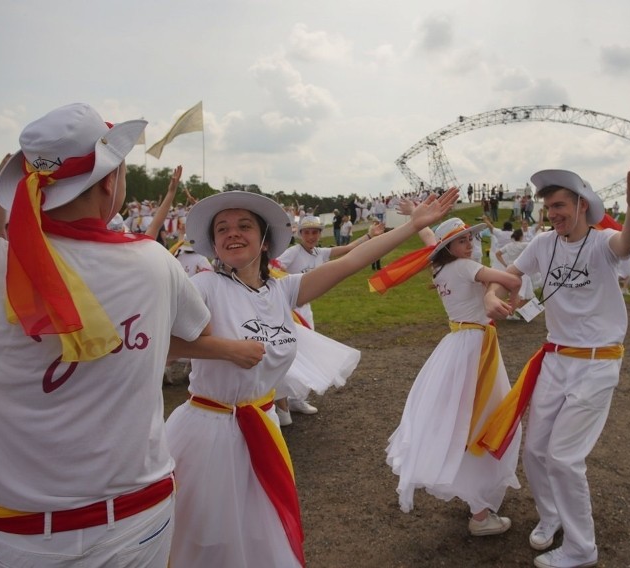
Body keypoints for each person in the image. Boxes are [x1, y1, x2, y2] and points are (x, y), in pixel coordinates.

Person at [0, 103, 212, 567]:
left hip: (23, 536)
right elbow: (201, 329)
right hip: (136, 519)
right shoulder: (156, 264)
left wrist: (6, 195)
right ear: (108, 183)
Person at [164, 187, 459, 567]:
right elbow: (163, 343)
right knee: (207, 534)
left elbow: (351, 262)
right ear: (214, 243)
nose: (232, 233)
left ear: (265, 238)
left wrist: (412, 226)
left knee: (259, 526)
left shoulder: (283, 290)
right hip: (210, 429)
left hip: (263, 425)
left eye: (243, 226)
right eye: (222, 229)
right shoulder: (204, 286)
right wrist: (226, 349)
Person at [480, 152, 630, 568]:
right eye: (547, 206)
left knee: (564, 458)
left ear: (581, 206)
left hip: (596, 362)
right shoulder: (541, 244)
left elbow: (629, 242)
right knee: (535, 451)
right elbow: (511, 278)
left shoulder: (601, 245)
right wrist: (491, 295)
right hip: (555, 358)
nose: (552, 214)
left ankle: (581, 548)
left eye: (559, 206)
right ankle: (551, 515)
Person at [371, 211, 522, 536]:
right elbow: (511, 278)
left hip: (456, 345)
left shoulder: (440, 269)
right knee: (484, 421)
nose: (468, 244)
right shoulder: (466, 267)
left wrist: (418, 217)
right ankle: (480, 512)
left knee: (463, 421)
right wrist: (505, 296)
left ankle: (476, 498)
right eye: (461, 241)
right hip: (476, 349)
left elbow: (429, 238)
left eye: (469, 238)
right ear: (449, 247)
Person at [273, 214, 384, 421]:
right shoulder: (293, 252)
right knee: (290, 353)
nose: (311, 236)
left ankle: (297, 398)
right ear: (300, 234)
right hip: (290, 310)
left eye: (315, 232)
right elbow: (273, 268)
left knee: (306, 352)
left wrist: (369, 236)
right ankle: (279, 401)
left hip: (306, 309)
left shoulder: (319, 252)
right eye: (307, 232)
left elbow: (347, 250)